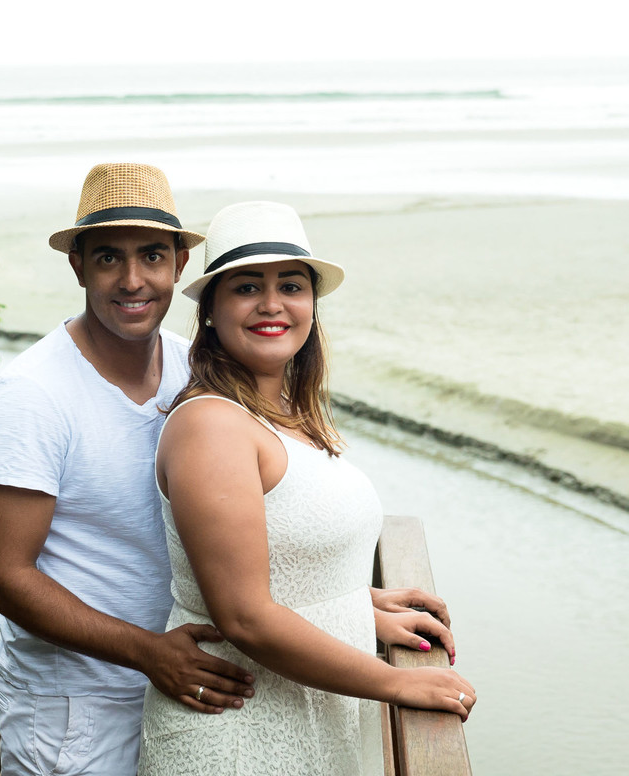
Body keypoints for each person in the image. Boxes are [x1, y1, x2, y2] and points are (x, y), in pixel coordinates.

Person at [139, 201, 477, 775]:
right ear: (212, 311)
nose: (272, 304)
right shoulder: (211, 426)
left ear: (312, 305)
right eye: (247, 287)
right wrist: (398, 683)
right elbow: (244, 616)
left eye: (291, 286)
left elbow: (283, 555)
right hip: (238, 736)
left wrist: (355, 604)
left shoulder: (287, 409)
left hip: (310, 722)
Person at [0, 164, 258, 776]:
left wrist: (346, 599)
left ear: (180, 264)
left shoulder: (196, 370)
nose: (133, 280)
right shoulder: (31, 394)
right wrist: (150, 653)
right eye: (109, 258)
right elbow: (3, 577)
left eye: (152, 255)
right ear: (78, 266)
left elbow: (240, 523)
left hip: (179, 691)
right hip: (74, 711)